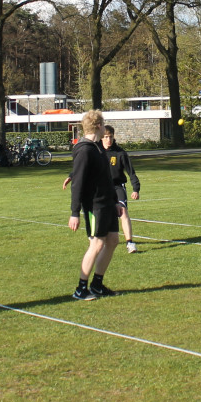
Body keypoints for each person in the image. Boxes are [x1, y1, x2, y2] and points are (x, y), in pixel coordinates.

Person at [67, 110, 121, 299]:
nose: (105, 126)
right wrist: (74, 212)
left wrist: (116, 201)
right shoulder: (84, 149)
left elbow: (104, 177)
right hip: (94, 206)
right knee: (97, 244)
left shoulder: (97, 147)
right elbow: (78, 183)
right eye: (104, 123)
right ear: (98, 126)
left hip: (107, 203)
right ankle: (81, 289)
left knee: (113, 240)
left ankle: (97, 285)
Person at [102, 125, 142, 252]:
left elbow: (131, 172)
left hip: (117, 187)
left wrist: (136, 189)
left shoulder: (120, 153)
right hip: (102, 188)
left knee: (123, 212)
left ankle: (130, 243)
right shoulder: (96, 152)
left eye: (111, 137)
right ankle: (100, 239)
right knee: (103, 214)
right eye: (106, 137)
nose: (109, 140)